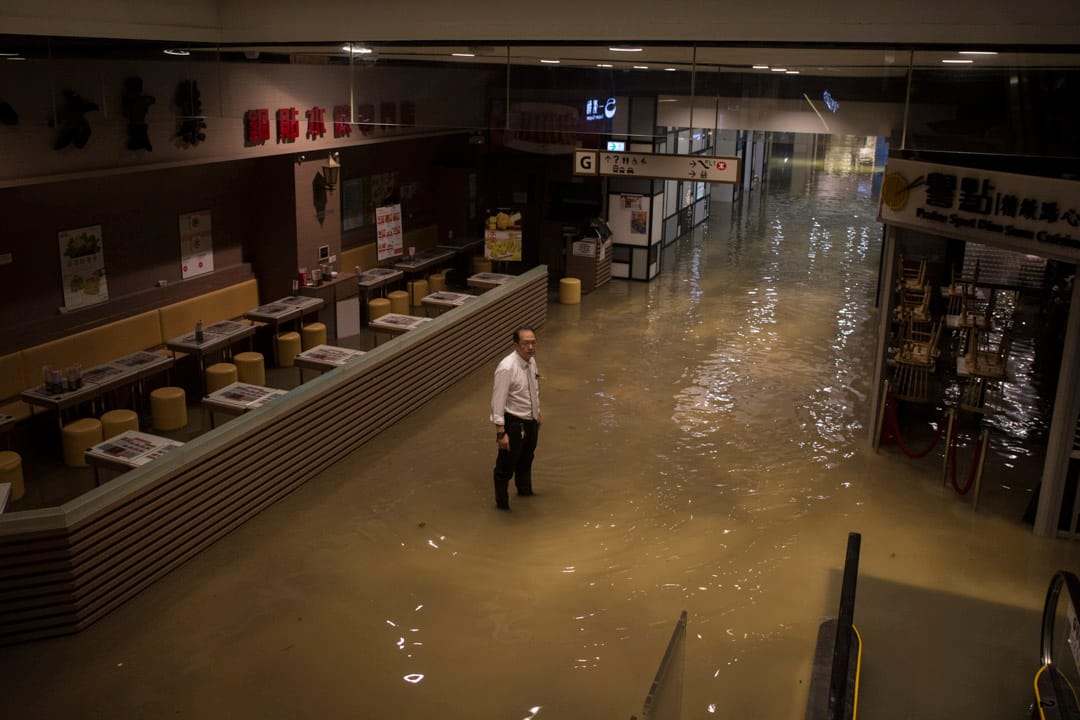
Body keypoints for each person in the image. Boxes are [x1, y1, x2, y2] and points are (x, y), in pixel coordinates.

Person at [490, 326, 541, 510]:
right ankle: (502, 506)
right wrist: (500, 433)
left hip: (531, 421)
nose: (530, 347)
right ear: (516, 345)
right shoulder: (506, 367)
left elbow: (533, 390)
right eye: (526, 343)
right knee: (505, 467)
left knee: (527, 460)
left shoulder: (532, 361)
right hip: (513, 423)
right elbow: (498, 401)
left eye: (533, 342)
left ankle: (525, 493)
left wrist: (537, 413)